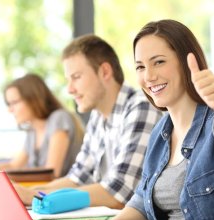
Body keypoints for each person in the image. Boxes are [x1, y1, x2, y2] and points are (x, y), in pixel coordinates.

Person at [71, 20, 214, 220]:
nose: (149, 76)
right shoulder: (160, 134)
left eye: (159, 62)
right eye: (140, 67)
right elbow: (142, 202)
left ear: (185, 63)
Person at [13, 34, 163, 209]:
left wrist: (34, 196)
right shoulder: (98, 117)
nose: (69, 89)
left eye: (76, 77)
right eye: (68, 80)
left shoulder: (140, 106)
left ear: (105, 72)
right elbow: (77, 178)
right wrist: (29, 192)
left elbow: (119, 193)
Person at [0, 73, 84, 178]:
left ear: (33, 99)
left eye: (14, 103)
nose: (10, 110)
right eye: (9, 104)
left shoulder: (59, 118)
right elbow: (13, 165)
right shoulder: (33, 131)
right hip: (44, 190)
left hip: (64, 191)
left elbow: (51, 173)